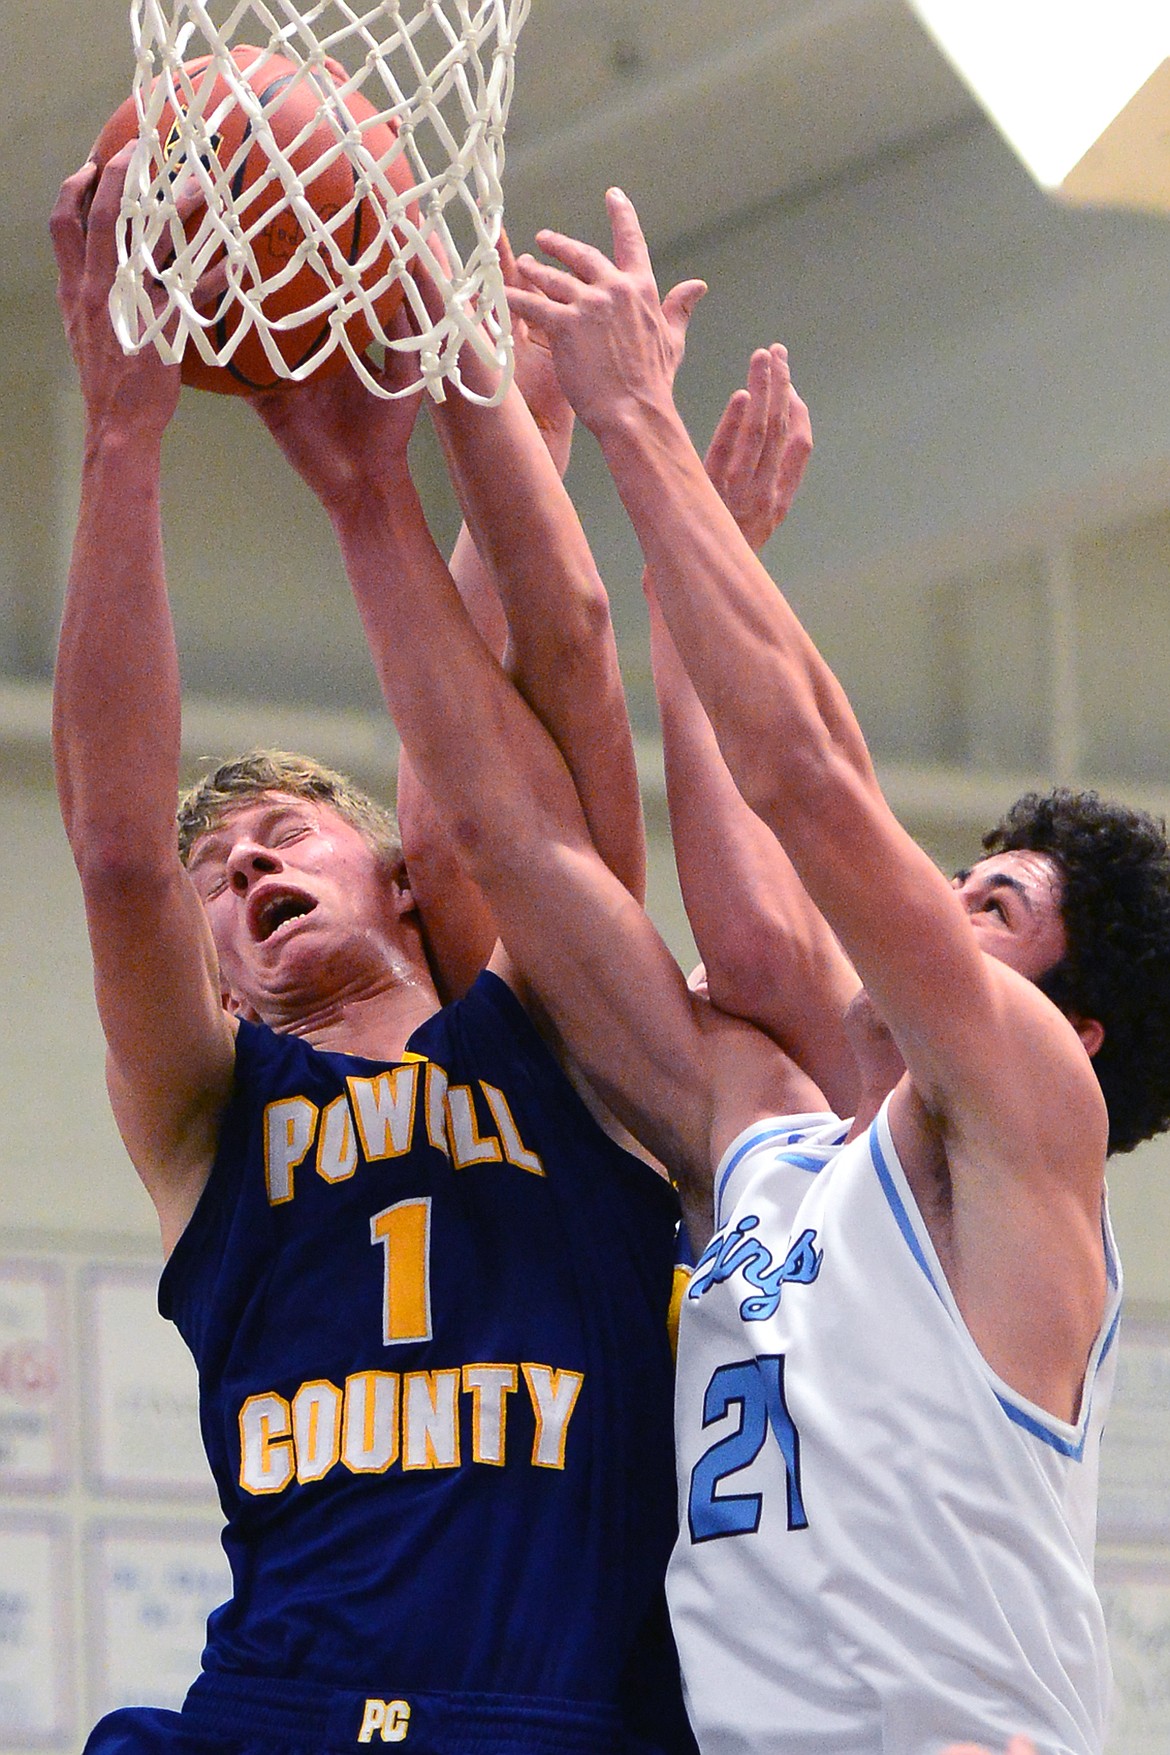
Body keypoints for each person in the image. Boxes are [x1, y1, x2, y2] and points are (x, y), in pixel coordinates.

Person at [500, 192, 1170, 1753]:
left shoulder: (1022, 1117)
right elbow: (753, 922)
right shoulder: (810, 1153)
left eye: (988, 906)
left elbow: (806, 781)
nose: (933, 908)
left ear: (1065, 1033)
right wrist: (694, 574)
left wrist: (639, 432)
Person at [51, 145, 694, 1755]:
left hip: (542, 1710)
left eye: (282, 832)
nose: (244, 859)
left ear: (403, 883)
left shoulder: (558, 1028)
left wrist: (513, 423)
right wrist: (122, 436)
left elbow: (488, 775)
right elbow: (118, 851)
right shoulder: (214, 1118)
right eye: (225, 872)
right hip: (270, 1710)